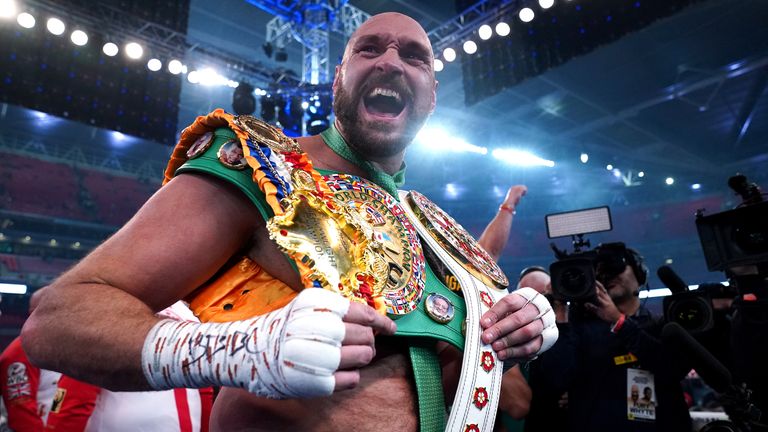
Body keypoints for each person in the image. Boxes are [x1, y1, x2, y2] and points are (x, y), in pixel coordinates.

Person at [22, 12, 557, 432]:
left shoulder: (437, 231)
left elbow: (514, 401)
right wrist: (240, 351)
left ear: (432, 95)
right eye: (368, 48)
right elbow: (58, 318)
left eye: (415, 56)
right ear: (338, 80)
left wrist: (518, 333)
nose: (391, 62)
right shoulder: (263, 168)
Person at [529, 242, 691, 432]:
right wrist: (561, 311)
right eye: (599, 271)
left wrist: (618, 321)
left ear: (640, 274)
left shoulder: (661, 325)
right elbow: (555, 380)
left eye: (617, 265)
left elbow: (673, 369)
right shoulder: (579, 329)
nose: (609, 275)